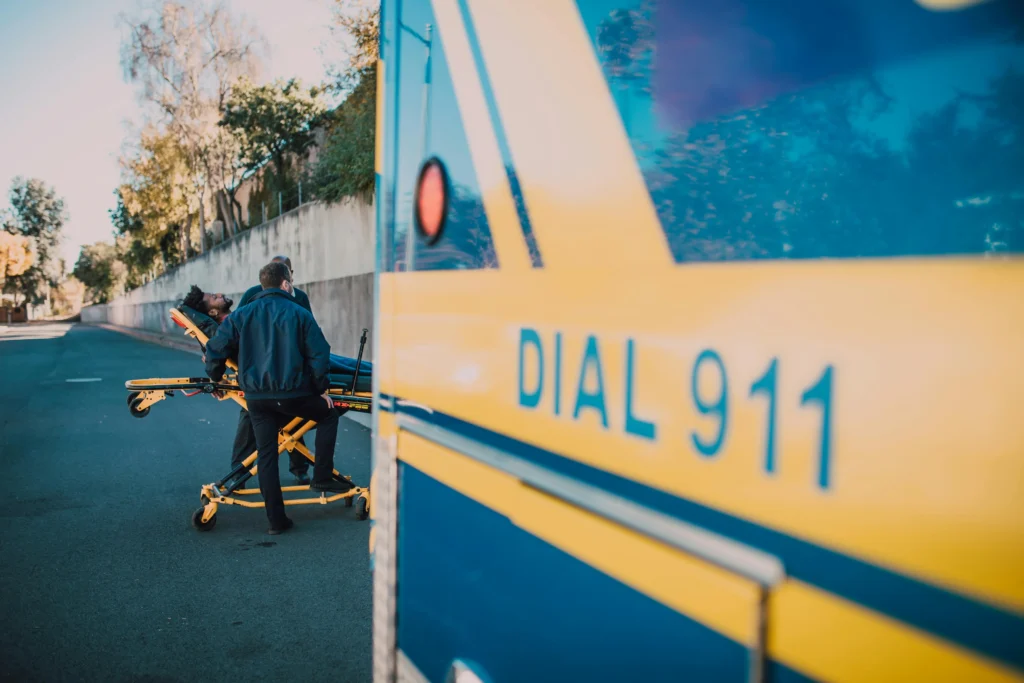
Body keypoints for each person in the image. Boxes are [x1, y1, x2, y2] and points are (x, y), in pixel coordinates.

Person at [204, 261, 352, 535]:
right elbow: (320, 354)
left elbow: (216, 348)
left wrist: (215, 379)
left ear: (263, 285)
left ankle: (276, 521)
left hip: (258, 399)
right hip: (295, 395)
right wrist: (321, 388)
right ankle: (321, 476)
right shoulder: (299, 313)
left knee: (267, 454)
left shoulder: (242, 315)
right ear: (285, 284)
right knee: (328, 414)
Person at [183, 283, 312, 484]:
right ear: (214, 311)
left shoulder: (236, 318)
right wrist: (216, 377)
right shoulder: (230, 325)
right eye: (214, 297)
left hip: (271, 374)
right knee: (266, 414)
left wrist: (215, 375)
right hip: (267, 377)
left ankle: (245, 472)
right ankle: (243, 472)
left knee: (284, 418)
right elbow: (220, 351)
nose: (220, 293)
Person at [237, 255, 311, 313]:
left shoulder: (301, 297)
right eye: (272, 271)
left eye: (281, 272)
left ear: (290, 273)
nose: (276, 275)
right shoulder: (251, 294)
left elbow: (310, 327)